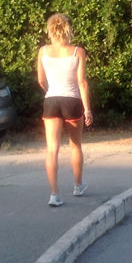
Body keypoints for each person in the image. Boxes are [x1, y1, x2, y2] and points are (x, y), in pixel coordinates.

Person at [37, 13, 92, 207]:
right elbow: (82, 82)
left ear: (50, 30)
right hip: (72, 101)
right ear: (69, 29)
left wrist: (51, 91)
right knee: (75, 145)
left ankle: (54, 195)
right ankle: (78, 186)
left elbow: (41, 80)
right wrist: (87, 110)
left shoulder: (43, 51)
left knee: (52, 149)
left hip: (51, 100)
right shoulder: (77, 51)